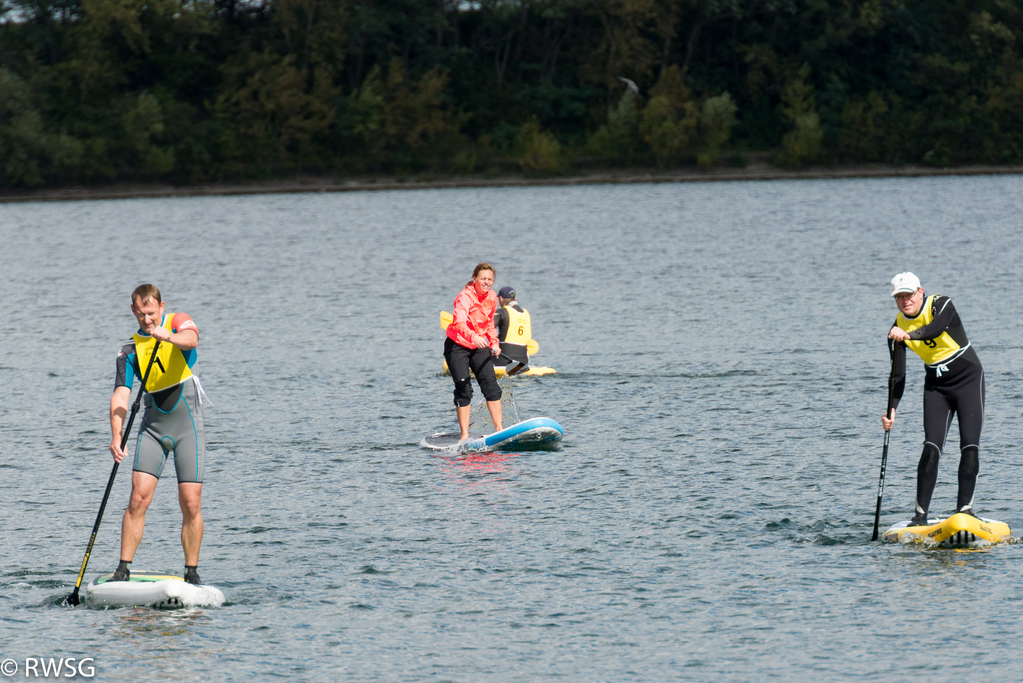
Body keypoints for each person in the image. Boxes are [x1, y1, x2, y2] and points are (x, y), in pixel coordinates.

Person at [109, 284, 206, 584]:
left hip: (187, 422)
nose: (147, 320)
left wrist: (169, 337)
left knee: (190, 501)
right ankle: (122, 569)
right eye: (141, 315)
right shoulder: (129, 351)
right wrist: (116, 435)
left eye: (151, 313)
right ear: (133, 311)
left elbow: (191, 340)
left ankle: (191, 573)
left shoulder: (178, 321)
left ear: (161, 307)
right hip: (153, 426)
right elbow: (121, 396)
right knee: (138, 498)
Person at [881, 272, 984, 526]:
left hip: (968, 380)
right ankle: (920, 517)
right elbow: (898, 376)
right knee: (931, 446)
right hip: (937, 387)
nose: (906, 301)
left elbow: (935, 328)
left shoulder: (942, 304)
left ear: (921, 292)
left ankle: (965, 511)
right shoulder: (896, 330)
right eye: (900, 297)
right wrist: (891, 409)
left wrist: (908, 336)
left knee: (969, 445)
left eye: (910, 294)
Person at [444, 263, 503, 440]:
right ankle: (464, 435)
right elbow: (459, 323)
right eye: (483, 278)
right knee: (464, 389)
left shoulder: (492, 297)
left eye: (490, 279)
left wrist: (494, 343)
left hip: (479, 347)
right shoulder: (465, 297)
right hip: (458, 346)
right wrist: (474, 337)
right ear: (474, 278)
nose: (486, 282)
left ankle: (500, 430)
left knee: (491, 386)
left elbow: (490, 324)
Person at [493, 285, 531, 367]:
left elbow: (487, 328)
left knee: (480, 348)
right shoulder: (526, 313)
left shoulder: (502, 312)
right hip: (523, 361)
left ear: (501, 299)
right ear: (514, 298)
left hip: (503, 361)